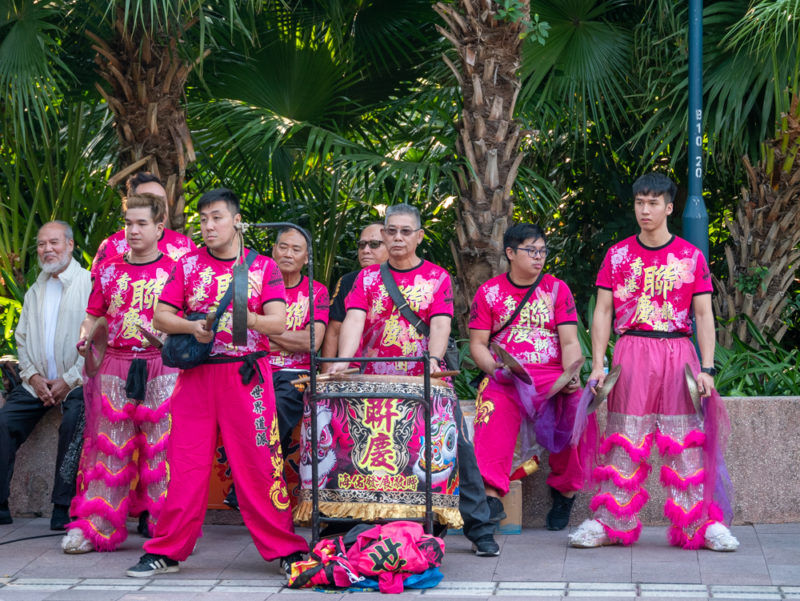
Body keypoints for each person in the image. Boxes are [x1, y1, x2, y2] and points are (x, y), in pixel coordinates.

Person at [126, 188, 308, 578]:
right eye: (204, 219)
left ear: (236, 221)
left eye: (217, 218)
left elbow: (278, 321)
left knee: (261, 464)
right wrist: (193, 325)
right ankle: (168, 550)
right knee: (186, 463)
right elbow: (160, 316)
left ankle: (284, 548)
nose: (209, 226)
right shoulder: (187, 264)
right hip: (196, 377)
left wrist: (245, 319)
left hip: (246, 376)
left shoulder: (262, 268)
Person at [568, 173, 739, 551]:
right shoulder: (618, 255)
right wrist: (598, 364)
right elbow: (603, 311)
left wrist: (707, 368)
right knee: (624, 437)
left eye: (652, 203)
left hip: (679, 353)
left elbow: (705, 314)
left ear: (668, 207)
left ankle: (701, 525)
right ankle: (609, 521)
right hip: (631, 350)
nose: (645, 210)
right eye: (639, 203)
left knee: (686, 442)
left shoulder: (690, 256)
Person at [329, 203, 501, 557]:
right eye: (390, 231)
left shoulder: (437, 277)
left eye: (405, 231)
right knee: (366, 455)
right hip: (375, 385)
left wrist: (434, 362)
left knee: (459, 450)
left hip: (427, 379)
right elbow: (355, 320)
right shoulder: (366, 279)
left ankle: (480, 529)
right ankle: (358, 526)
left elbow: (440, 324)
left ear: (419, 236)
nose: (396, 238)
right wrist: (344, 362)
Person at [62, 193, 178, 553]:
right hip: (115, 363)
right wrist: (86, 338)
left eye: (142, 223)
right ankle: (96, 526)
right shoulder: (109, 268)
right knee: (108, 449)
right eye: (129, 223)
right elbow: (95, 315)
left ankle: (168, 530)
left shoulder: (177, 268)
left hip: (161, 365)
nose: (133, 230)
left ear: (160, 227)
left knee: (162, 450)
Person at [469, 223, 593, 532]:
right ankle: (492, 494)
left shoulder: (556, 289)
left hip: (552, 373)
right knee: (493, 409)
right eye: (531, 251)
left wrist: (571, 375)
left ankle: (565, 491)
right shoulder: (490, 292)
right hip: (508, 375)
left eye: (542, 251)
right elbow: (477, 345)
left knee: (574, 406)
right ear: (510, 253)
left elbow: (568, 341)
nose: (539, 258)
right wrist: (495, 370)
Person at [223, 226, 330, 509]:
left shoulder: (316, 292)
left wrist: (265, 332)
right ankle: (254, 481)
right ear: (273, 251)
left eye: (296, 249)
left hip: (295, 374)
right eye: (283, 247)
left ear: (306, 258)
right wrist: (281, 339)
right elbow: (238, 333)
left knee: (277, 405)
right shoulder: (255, 287)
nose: (288, 254)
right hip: (254, 366)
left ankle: (246, 483)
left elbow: (310, 342)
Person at [0, 222, 91, 529]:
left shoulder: (88, 284)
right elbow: (22, 339)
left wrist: (70, 379)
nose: (47, 249)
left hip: (78, 380)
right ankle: (0, 504)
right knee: (3, 423)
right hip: (36, 383)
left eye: (54, 242)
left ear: (70, 244)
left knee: (73, 422)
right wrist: (34, 378)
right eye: (41, 244)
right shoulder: (36, 289)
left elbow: (97, 341)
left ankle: (62, 507)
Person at [91, 172, 195, 279]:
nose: (159, 208)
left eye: (162, 201)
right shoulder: (112, 246)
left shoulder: (185, 245)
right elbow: (96, 288)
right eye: (150, 202)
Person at [320, 223, 388, 369]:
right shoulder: (348, 281)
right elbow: (334, 331)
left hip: (399, 369)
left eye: (374, 244)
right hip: (354, 370)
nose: (366, 250)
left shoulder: (408, 280)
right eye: (362, 245)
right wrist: (325, 377)